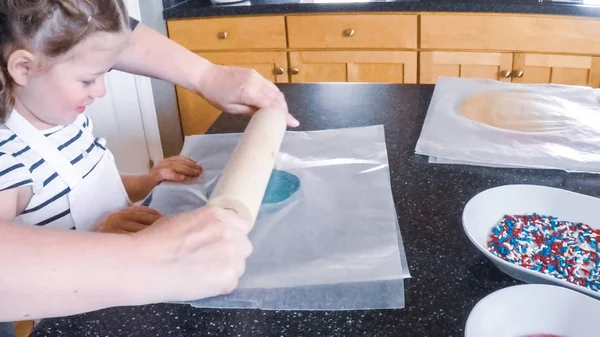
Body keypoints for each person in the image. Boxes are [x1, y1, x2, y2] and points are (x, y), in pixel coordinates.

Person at [0, 0, 297, 331]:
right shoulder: (8, 158)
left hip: (131, 294)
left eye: (105, 74)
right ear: (23, 68)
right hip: (83, 315)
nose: (100, 91)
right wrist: (115, 246)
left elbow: (81, 188)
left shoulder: (65, 120)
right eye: (88, 80)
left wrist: (146, 181)